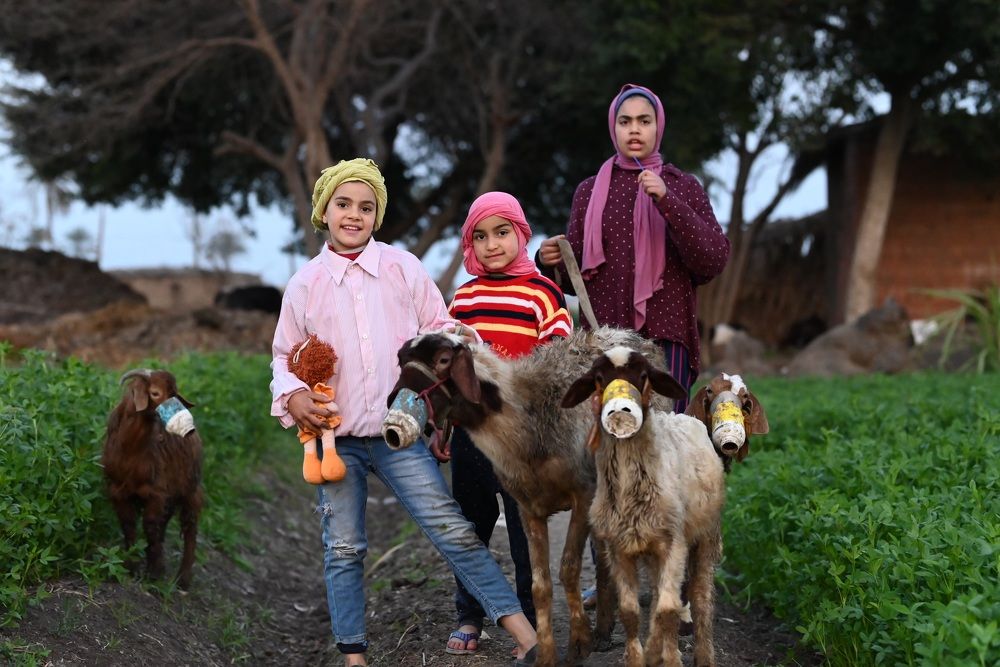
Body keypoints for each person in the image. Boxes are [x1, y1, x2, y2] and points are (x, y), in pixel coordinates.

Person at [270, 159, 538, 667]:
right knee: (344, 547)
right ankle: (353, 657)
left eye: (366, 207)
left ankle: (525, 635)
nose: (354, 215)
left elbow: (439, 325)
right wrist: (294, 396)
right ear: (323, 211)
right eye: (343, 204)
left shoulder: (402, 268)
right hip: (334, 438)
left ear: (378, 215)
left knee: (452, 528)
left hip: (401, 433)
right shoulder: (305, 284)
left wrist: (458, 340)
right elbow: (284, 357)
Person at [537, 83, 730, 606]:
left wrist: (666, 201)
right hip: (605, 348)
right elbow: (573, 273)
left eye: (644, 120)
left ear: (658, 126)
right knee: (606, 460)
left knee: (669, 456)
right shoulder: (589, 191)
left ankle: (678, 582)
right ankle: (611, 584)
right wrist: (549, 260)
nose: (635, 130)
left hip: (664, 344)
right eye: (625, 122)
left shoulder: (682, 186)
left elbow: (712, 259)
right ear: (614, 128)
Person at [444, 192, 572, 655]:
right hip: (472, 437)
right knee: (470, 527)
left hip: (521, 438)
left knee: (525, 532)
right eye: (480, 236)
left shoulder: (543, 292)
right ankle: (469, 613)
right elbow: (447, 363)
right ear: (469, 244)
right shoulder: (464, 298)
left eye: (502, 233)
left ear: (521, 234)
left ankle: (532, 621)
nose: (492, 244)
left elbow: (557, 359)